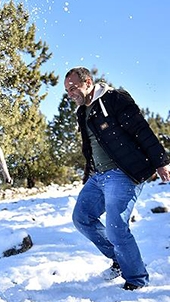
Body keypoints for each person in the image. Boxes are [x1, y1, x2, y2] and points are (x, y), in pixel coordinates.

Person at [64, 66, 170, 290]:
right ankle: (120, 260)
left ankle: (136, 279)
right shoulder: (82, 111)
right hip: (98, 176)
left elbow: (141, 129)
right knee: (82, 217)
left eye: (73, 87)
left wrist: (161, 161)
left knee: (115, 227)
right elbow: (91, 148)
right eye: (67, 90)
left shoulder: (114, 99)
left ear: (88, 82)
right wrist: (89, 174)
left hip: (122, 173)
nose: (70, 93)